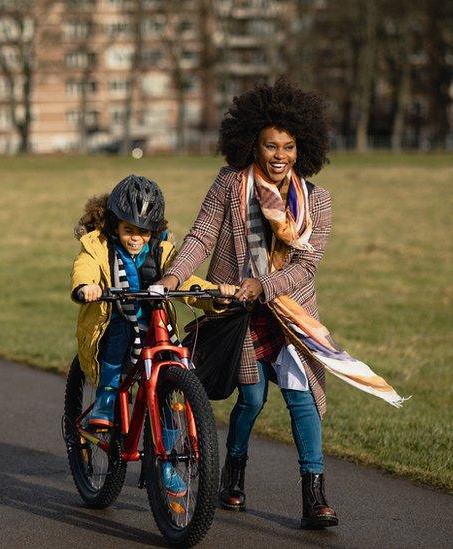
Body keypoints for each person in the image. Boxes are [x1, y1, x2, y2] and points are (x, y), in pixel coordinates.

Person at [156, 78, 339, 529]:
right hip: (238, 313)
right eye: (271, 146)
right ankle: (233, 475)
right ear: (252, 144)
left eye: (289, 147)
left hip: (291, 314)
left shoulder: (316, 201)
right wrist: (174, 276)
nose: (280, 156)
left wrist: (264, 284)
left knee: (302, 399)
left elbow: (305, 267)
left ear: (303, 149)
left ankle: (314, 496)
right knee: (252, 398)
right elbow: (201, 235)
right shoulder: (230, 184)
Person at [71, 175, 232, 497]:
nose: (135, 238)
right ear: (115, 225)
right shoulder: (98, 247)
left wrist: (213, 294)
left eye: (143, 232)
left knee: (169, 390)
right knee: (116, 342)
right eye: (129, 230)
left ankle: (168, 462)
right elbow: (85, 267)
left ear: (154, 230)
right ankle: (104, 404)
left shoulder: (163, 252)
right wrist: (86, 286)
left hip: (156, 327)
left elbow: (183, 279)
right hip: (116, 319)